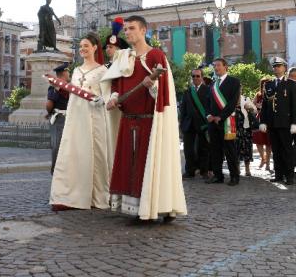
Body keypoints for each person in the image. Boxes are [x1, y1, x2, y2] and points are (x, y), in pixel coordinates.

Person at [104, 15, 187, 221]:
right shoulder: (123, 57)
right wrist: (114, 97)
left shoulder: (155, 55)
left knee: (148, 164)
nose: (127, 32)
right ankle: (134, 208)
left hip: (150, 121)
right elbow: (117, 85)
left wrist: (153, 87)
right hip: (128, 119)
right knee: (129, 165)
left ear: (143, 30)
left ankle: (157, 206)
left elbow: (164, 93)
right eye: (125, 29)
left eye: (131, 28)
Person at [50, 34, 114, 210]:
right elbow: (73, 94)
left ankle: (95, 195)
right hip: (76, 116)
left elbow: (108, 94)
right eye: (81, 46)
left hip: (94, 117)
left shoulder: (103, 71)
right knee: (74, 153)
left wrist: (101, 99)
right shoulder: (76, 70)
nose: (83, 49)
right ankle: (69, 196)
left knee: (95, 153)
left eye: (86, 45)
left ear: (95, 47)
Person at [260, 57, 296, 185]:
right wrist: (263, 121)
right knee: (276, 150)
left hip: (286, 123)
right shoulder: (269, 84)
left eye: (279, 66)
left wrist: (294, 122)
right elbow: (265, 105)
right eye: (274, 66)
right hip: (272, 123)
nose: (276, 68)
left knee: (287, 150)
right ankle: (278, 174)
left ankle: (289, 176)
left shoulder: (291, 84)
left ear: (284, 68)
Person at [204, 58, 242, 186]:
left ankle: (234, 177)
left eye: (218, 65)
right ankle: (218, 176)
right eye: (214, 66)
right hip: (212, 122)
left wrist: (221, 116)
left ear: (225, 67)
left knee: (230, 150)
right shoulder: (212, 85)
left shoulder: (234, 82)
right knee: (215, 150)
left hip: (226, 122)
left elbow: (233, 103)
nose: (216, 68)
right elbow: (207, 103)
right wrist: (209, 115)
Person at [179, 67, 210, 179]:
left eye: (198, 76)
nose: (195, 78)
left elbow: (209, 108)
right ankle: (189, 171)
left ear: (202, 77)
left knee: (204, 149)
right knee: (188, 149)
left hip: (202, 124)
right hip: (189, 124)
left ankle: (204, 171)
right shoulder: (187, 92)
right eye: (193, 76)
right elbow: (183, 110)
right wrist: (182, 125)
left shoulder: (207, 90)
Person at [46, 63, 70, 175]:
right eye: (67, 72)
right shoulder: (54, 87)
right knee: (58, 145)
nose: (69, 74)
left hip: (69, 118)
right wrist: (50, 113)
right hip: (59, 118)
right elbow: (49, 104)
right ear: (63, 73)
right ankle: (56, 171)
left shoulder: (69, 87)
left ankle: (64, 170)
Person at [253, 78, 272, 172]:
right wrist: (256, 106)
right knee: (258, 140)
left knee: (269, 142)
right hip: (259, 118)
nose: (265, 85)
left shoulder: (273, 94)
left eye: (267, 84)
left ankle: (268, 163)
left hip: (270, 119)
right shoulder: (258, 95)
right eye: (263, 84)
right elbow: (252, 106)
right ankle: (263, 158)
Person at [236, 93, 254, 177]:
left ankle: (247, 169)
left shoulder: (246, 99)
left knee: (247, 148)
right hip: (236, 128)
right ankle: (237, 168)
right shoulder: (230, 98)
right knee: (236, 147)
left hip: (246, 128)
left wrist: (249, 108)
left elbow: (254, 110)